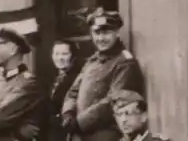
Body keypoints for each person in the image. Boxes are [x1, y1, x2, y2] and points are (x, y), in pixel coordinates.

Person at [61, 7, 145, 141]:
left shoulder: (125, 62)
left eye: (106, 33)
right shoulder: (92, 61)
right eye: (97, 33)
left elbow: (114, 100)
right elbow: (73, 91)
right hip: (79, 134)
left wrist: (79, 123)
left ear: (116, 33)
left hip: (105, 134)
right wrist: (68, 114)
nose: (101, 38)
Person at [48, 39, 81, 141]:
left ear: (73, 56)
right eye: (56, 54)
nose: (60, 58)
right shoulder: (52, 79)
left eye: (65, 54)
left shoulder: (77, 78)